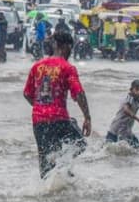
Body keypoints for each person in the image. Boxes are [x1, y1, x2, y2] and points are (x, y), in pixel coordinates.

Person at [23, 31, 92, 178]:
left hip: (38, 121)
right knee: (80, 144)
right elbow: (79, 93)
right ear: (67, 47)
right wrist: (87, 118)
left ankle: (49, 184)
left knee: (44, 159)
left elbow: (27, 94)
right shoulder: (67, 68)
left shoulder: (37, 66)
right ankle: (62, 166)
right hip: (58, 118)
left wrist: (40, 107)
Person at [106, 79, 139, 148]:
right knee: (108, 148)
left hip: (126, 131)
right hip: (115, 130)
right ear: (131, 90)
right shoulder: (129, 98)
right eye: (137, 89)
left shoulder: (137, 102)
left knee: (137, 147)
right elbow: (126, 109)